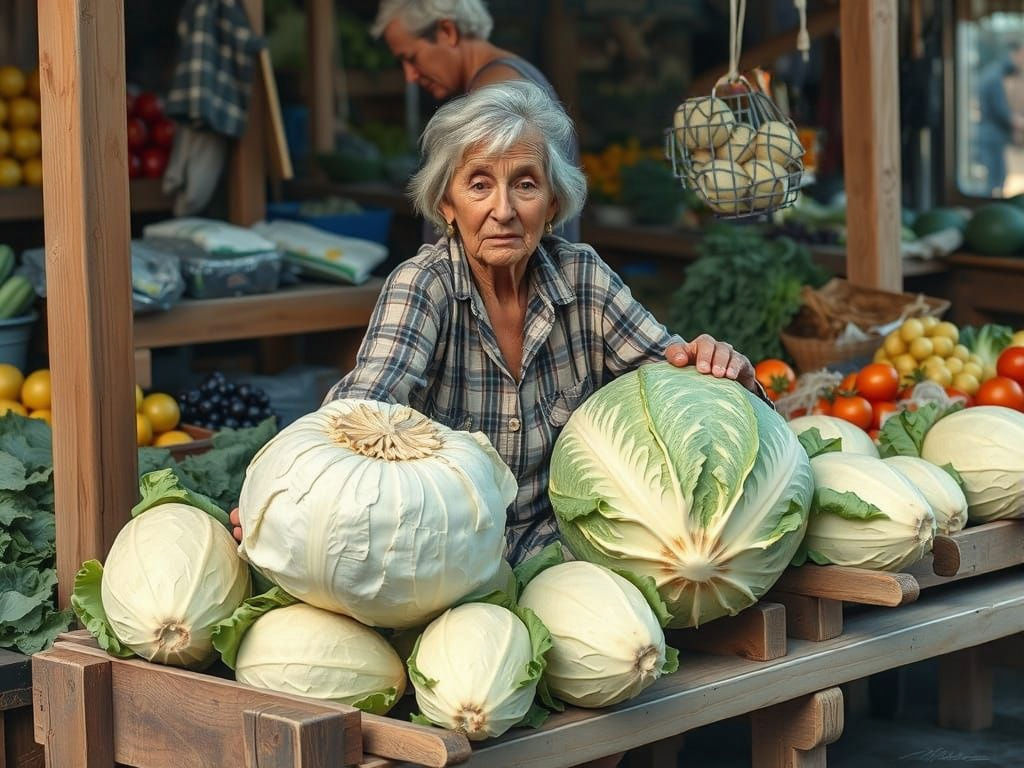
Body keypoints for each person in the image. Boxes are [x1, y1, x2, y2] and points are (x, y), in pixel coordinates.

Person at [230, 80, 757, 768]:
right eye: (479, 185)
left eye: (525, 184)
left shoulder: (585, 279)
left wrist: (716, 366)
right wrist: (284, 499)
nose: (503, 210)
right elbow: (362, 406)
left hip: (560, 552)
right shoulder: (424, 287)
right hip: (448, 580)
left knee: (604, 699)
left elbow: (671, 371)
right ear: (446, 204)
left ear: (555, 202)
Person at [370, 0, 581, 241]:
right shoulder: (511, 78)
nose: (410, 75)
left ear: (447, 31)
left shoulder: (498, 92)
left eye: (412, 58)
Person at [977, 41, 1024, 196]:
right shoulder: (995, 77)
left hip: (994, 134)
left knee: (998, 177)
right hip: (992, 135)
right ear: (1015, 54)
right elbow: (1001, 111)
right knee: (995, 179)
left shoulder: (995, 74)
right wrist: (1019, 122)